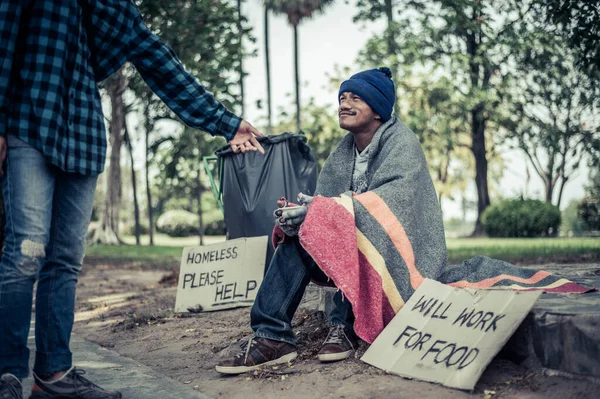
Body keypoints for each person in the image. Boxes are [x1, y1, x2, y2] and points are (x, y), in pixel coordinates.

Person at [216, 67, 591, 375]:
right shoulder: (342, 152)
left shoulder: (402, 143)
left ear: (378, 109)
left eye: (354, 98)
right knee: (303, 235)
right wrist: (305, 213)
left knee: (344, 227)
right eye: (341, 98)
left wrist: (332, 211)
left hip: (401, 254)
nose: (344, 104)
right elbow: (328, 205)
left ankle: (343, 326)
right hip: (354, 240)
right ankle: (271, 334)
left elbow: (395, 206)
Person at [0, 1, 263, 398]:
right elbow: (3, 38)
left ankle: (53, 375)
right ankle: (8, 374)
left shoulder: (117, 6)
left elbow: (159, 62)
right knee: (25, 252)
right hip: (27, 122)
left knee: (66, 261)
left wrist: (225, 123)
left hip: (83, 135)